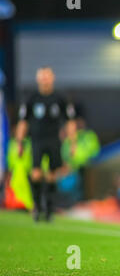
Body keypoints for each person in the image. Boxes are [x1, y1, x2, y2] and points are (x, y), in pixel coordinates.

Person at [17, 67, 76, 222]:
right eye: (42, 77)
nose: (45, 80)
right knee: (36, 174)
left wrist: (72, 143)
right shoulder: (31, 98)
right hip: (36, 140)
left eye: (47, 76)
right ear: (38, 79)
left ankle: (49, 209)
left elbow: (70, 121)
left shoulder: (60, 98)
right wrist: (20, 142)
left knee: (51, 175)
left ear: (52, 78)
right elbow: (23, 122)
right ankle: (37, 206)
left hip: (54, 141)